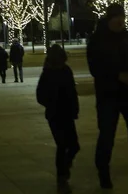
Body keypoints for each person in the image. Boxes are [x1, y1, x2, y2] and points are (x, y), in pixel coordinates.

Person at [87, 3, 128, 194]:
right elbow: (95, 68)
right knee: (107, 136)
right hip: (108, 96)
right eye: (116, 17)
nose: (120, 21)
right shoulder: (97, 40)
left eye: (122, 17)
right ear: (109, 19)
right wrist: (117, 75)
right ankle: (103, 171)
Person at [37, 44, 80, 193]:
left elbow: (72, 92)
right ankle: (62, 173)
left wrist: (74, 109)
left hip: (65, 113)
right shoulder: (49, 73)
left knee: (72, 145)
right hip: (57, 114)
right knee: (63, 145)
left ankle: (64, 167)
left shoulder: (64, 71)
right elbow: (40, 95)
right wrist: (52, 103)